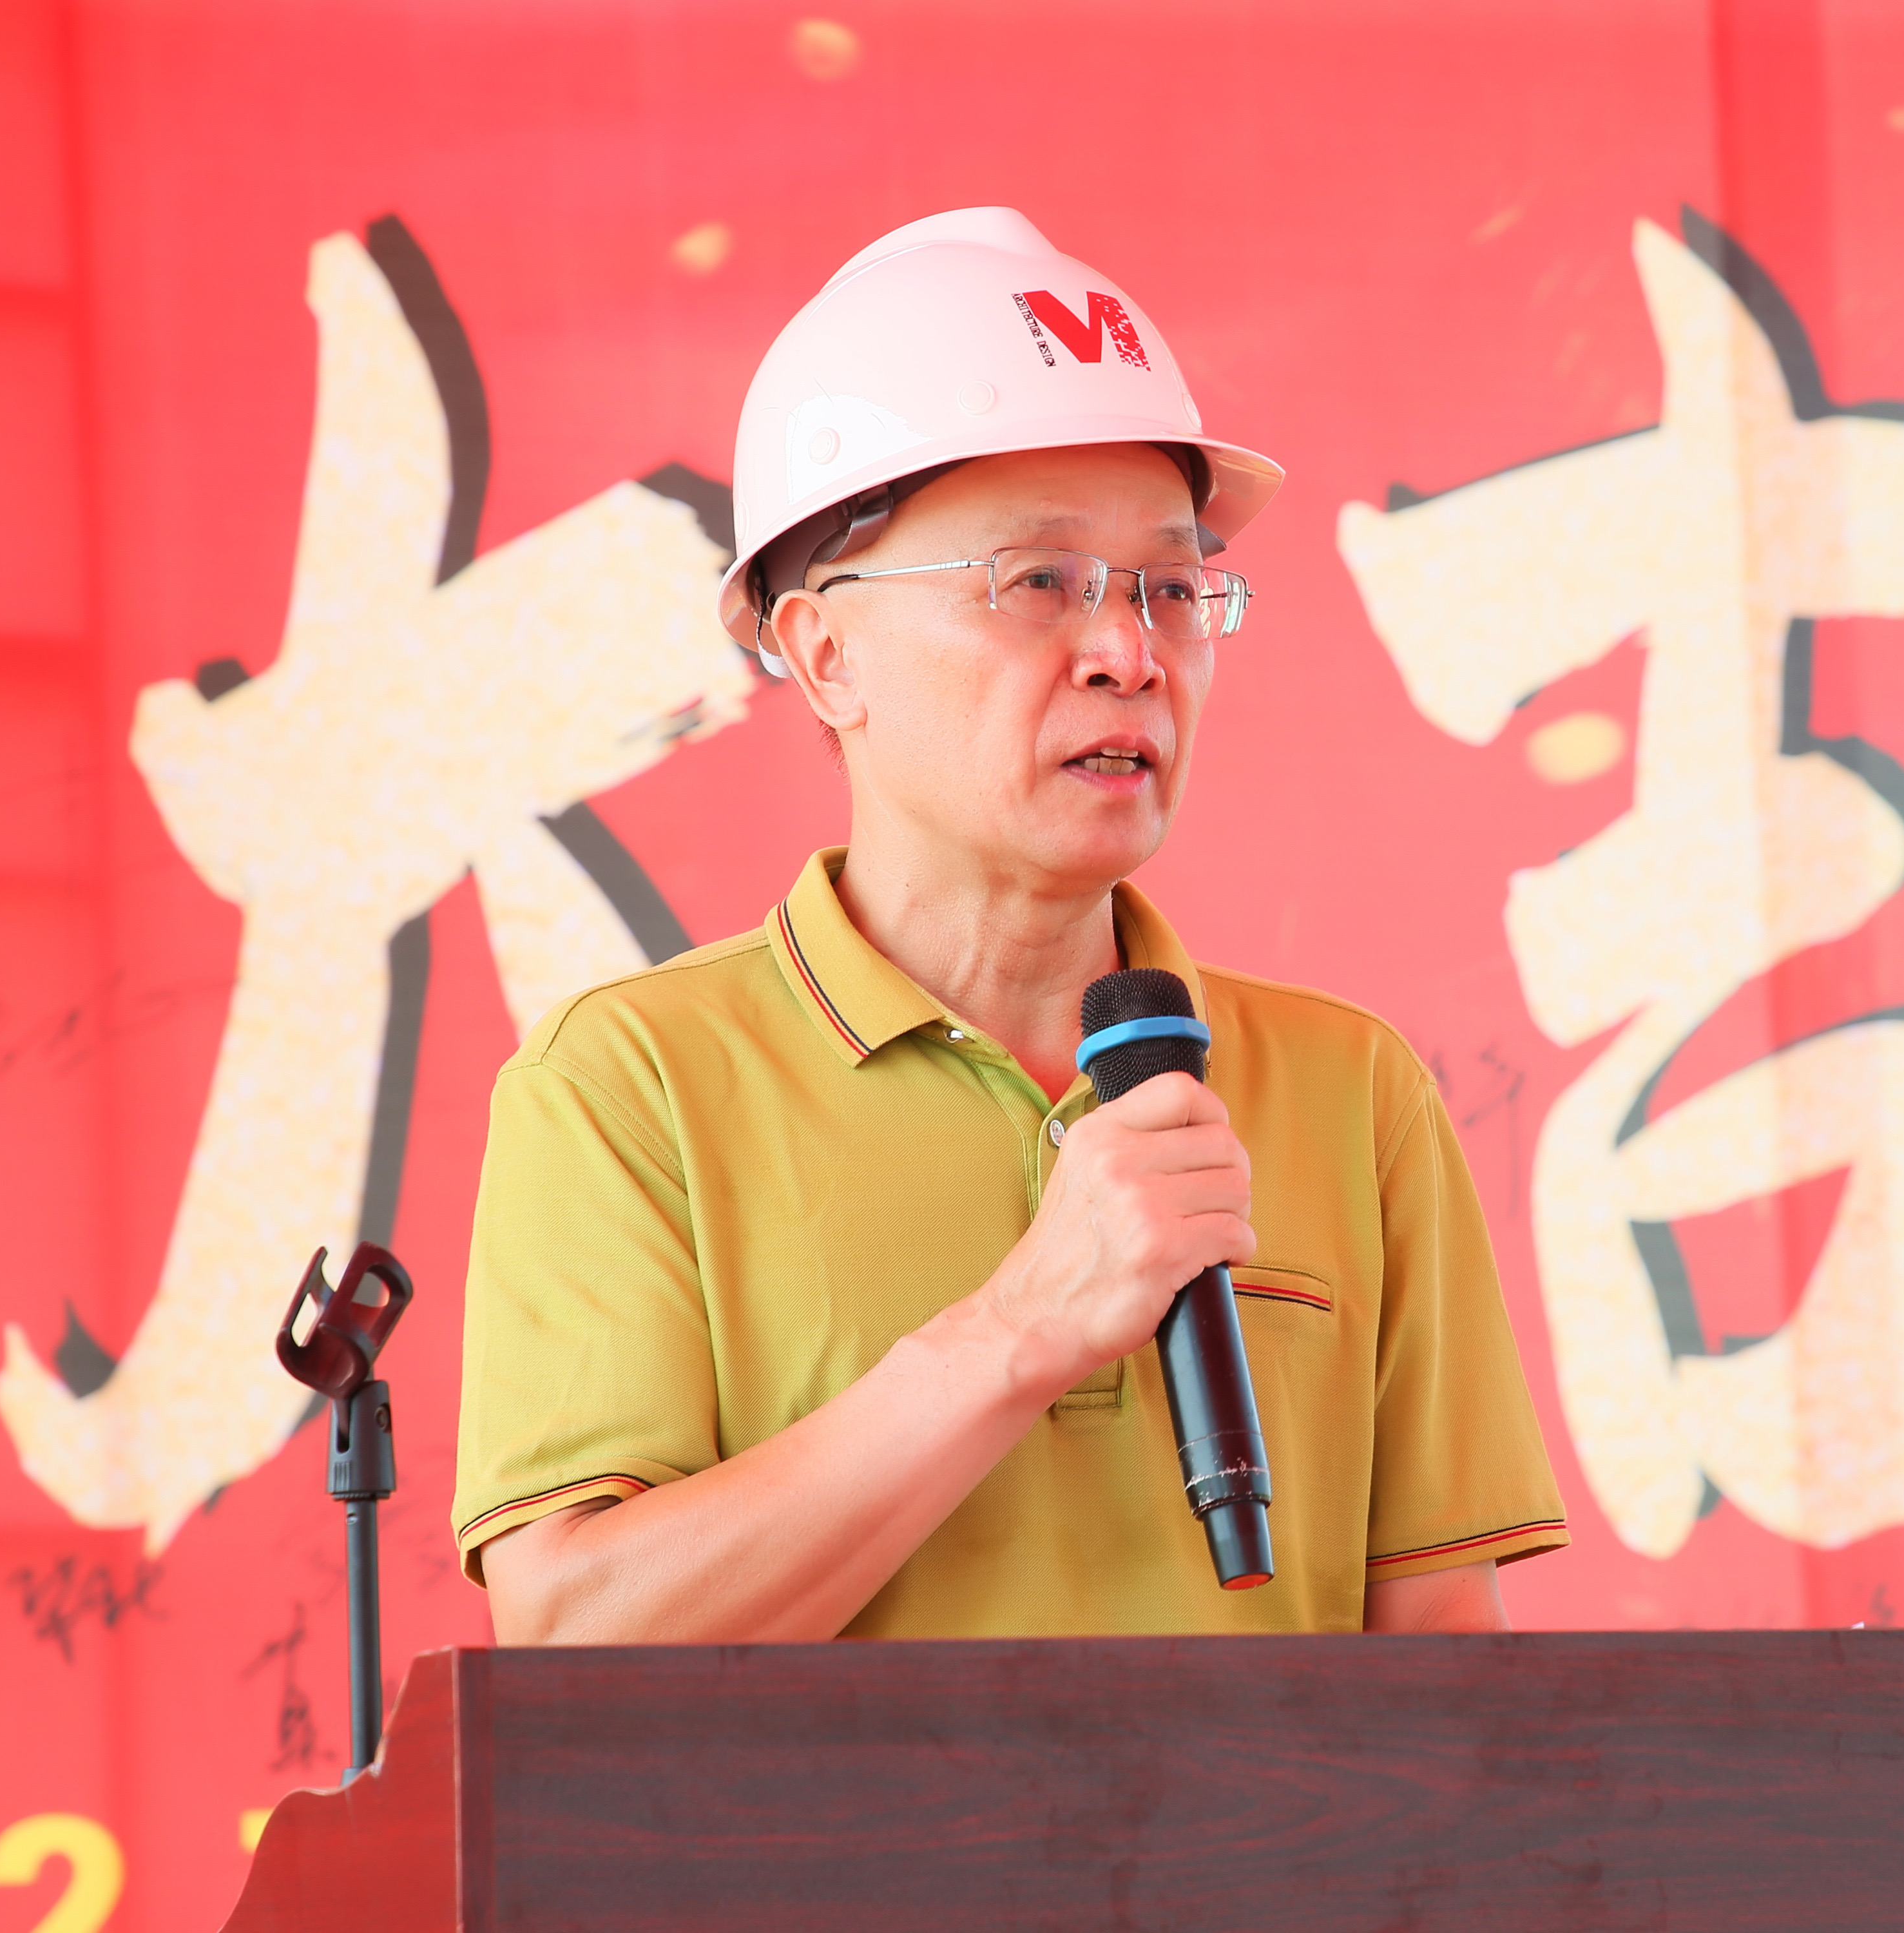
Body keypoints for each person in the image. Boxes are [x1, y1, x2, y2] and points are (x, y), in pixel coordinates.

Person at [449, 208, 1566, 1641]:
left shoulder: (1353, 1092)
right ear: (824, 653)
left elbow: (1451, 1695)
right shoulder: (632, 1087)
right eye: (1039, 582)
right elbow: (573, 1637)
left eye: (1174, 589)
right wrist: (1023, 1325)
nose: (1130, 653)